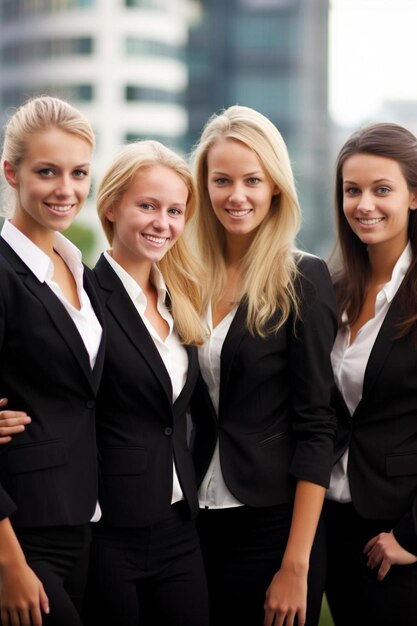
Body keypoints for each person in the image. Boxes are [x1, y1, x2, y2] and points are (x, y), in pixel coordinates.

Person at [189, 105, 337, 626]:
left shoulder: (305, 279)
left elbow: (318, 428)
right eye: (222, 180)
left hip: (274, 527)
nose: (237, 195)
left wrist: (295, 566)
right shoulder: (184, 277)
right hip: (192, 521)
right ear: (202, 186)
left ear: (275, 186)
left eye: (253, 180)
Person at [82, 140, 209, 626]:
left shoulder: (180, 300)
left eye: (175, 210)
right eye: (148, 206)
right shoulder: (86, 298)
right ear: (112, 206)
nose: (163, 223)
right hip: (111, 530)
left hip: (180, 525)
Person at [0, 95, 105, 626]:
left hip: (83, 522)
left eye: (78, 173)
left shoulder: (78, 267)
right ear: (11, 172)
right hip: (20, 533)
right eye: (47, 172)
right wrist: (7, 562)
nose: (66, 190)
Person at [323, 122, 417, 626]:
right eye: (352, 190)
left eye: (382, 189)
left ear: (414, 196)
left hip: (396, 533)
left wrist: (412, 535)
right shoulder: (332, 291)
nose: (365, 204)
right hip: (334, 527)